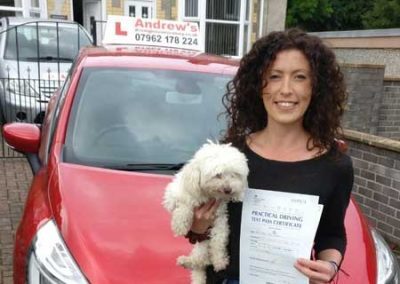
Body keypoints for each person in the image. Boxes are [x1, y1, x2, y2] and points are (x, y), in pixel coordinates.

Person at [186, 28, 354, 284]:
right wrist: (197, 226)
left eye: (299, 77)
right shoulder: (231, 155)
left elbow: (332, 235)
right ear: (258, 85)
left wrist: (329, 265)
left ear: (316, 86)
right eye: (274, 76)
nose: (286, 90)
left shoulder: (336, 165)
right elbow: (204, 229)